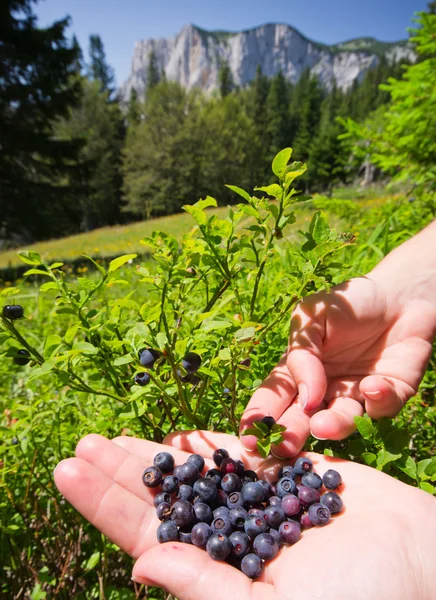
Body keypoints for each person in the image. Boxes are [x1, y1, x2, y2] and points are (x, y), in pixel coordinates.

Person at [54, 221, 436, 599]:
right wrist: (401, 290)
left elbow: (254, 510)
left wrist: (420, 551)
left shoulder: (285, 503)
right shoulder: (220, 505)